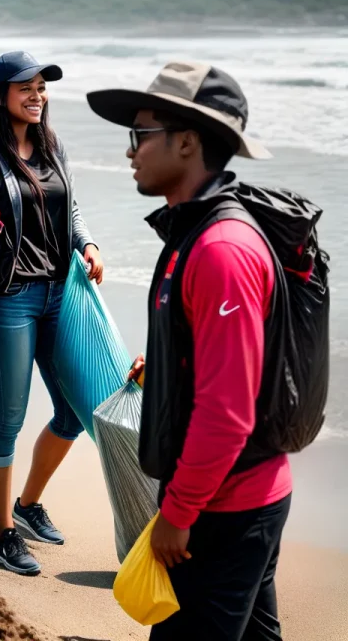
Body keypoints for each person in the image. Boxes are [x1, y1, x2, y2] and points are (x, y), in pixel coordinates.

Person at [87, 62, 292, 640]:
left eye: (140, 133)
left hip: (223, 508)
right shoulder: (191, 233)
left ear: (187, 140)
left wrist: (176, 515)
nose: (131, 151)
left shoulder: (221, 248)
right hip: (235, 496)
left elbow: (228, 413)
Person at [0, 51, 103, 575]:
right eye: (25, 87)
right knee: (8, 420)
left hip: (59, 293)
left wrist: (86, 244)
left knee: (72, 413)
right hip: (12, 297)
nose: (37, 95)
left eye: (42, 87)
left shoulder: (52, 146)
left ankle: (26, 506)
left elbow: (70, 207)